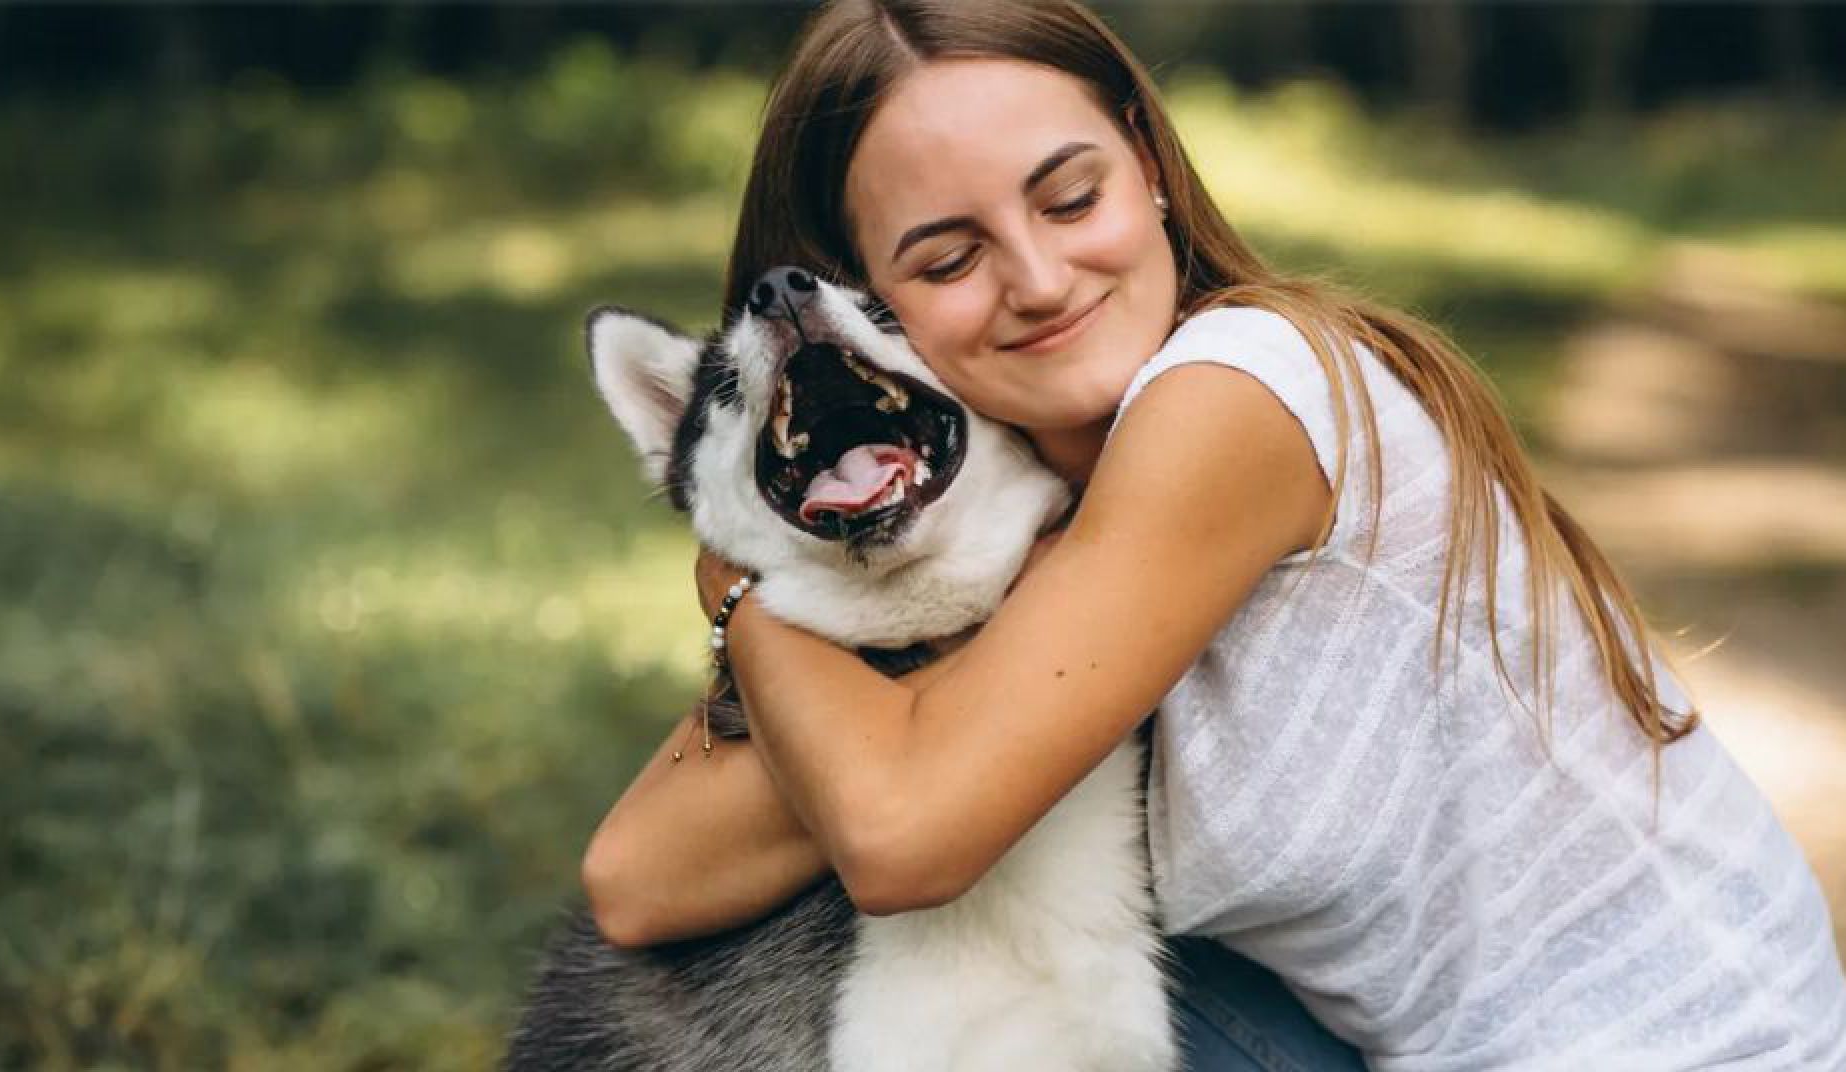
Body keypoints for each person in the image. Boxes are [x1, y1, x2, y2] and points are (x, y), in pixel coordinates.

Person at [580, 1, 1846, 1067]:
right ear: (869, 311)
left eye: (1068, 198)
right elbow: (640, 881)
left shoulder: (1237, 393)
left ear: (1146, 162)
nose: (1036, 277)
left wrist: (742, 574)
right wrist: (774, 574)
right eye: (949, 257)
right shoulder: (1010, 534)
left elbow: (902, 835)